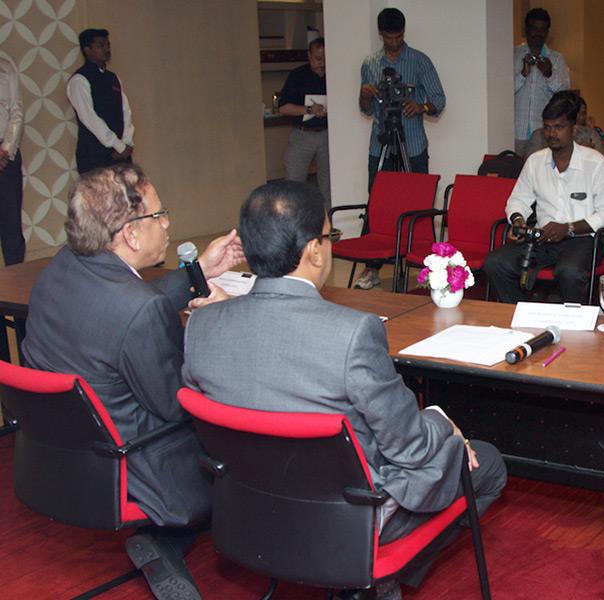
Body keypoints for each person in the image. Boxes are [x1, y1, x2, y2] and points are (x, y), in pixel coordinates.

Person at [182, 180, 506, 600]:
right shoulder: (352, 334)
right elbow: (410, 448)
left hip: (251, 511)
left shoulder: (202, 325)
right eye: (329, 235)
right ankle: (376, 581)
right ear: (314, 251)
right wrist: (443, 423)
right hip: (346, 520)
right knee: (487, 462)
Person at [22, 164, 244, 600]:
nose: (168, 225)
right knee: (248, 422)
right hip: (139, 461)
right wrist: (220, 325)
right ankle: (172, 539)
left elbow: (123, 308)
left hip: (63, 454)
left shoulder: (62, 267)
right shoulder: (138, 310)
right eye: (160, 215)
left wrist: (199, 270)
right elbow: (179, 404)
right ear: (130, 234)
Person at [482, 93, 604, 304]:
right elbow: (517, 200)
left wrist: (568, 228)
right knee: (494, 263)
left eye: (559, 127)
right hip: (542, 238)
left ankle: (573, 320)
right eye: (547, 127)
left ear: (573, 129)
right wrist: (518, 221)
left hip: (582, 240)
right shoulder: (535, 162)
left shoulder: (595, 163)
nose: (551, 133)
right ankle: (521, 311)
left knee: (569, 271)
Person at [357, 8, 446, 290]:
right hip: (381, 142)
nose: (394, 42)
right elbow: (364, 109)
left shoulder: (420, 61)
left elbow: (439, 101)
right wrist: (364, 95)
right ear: (381, 34)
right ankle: (371, 267)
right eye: (389, 37)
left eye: (398, 37)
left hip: (413, 143)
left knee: (418, 203)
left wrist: (420, 106)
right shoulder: (370, 63)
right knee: (377, 203)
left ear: (403, 33)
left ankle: (426, 267)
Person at [68, 28, 135, 175]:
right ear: (87, 50)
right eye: (100, 46)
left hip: (120, 154)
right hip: (94, 155)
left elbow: (125, 110)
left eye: (108, 45)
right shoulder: (79, 80)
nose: (106, 50)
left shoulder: (113, 78)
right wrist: (117, 145)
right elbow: (89, 118)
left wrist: (126, 142)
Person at [278, 37, 329, 207]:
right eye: (318, 58)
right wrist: (308, 110)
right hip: (303, 133)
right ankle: (294, 217)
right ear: (309, 56)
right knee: (294, 182)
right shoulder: (298, 75)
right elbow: (283, 107)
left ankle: (328, 218)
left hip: (327, 134)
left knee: (328, 184)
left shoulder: (333, 74)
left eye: (325, 59)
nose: (322, 63)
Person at [514, 7, 570, 158]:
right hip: (515, 131)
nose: (538, 33)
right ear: (526, 30)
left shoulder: (556, 59)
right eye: (534, 28)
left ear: (547, 32)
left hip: (543, 132)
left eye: (543, 29)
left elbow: (565, 94)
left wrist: (549, 74)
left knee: (538, 171)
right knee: (513, 170)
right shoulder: (513, 55)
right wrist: (522, 75)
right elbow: (502, 90)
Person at [524, 93, 604, 159]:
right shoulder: (539, 135)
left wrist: (589, 153)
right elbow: (531, 165)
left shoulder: (589, 134)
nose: (552, 133)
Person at [0, 54, 25, 266]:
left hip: (5, 156)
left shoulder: (5, 67)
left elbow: (16, 112)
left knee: (11, 225)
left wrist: (5, 150)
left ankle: (15, 277)